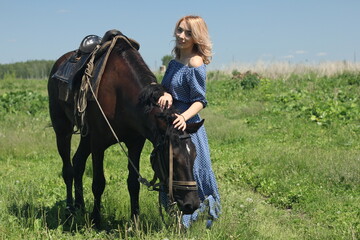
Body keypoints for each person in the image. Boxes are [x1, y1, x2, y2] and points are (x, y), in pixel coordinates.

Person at [158, 15, 221, 228]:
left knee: (191, 169)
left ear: (197, 37)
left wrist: (183, 118)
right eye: (180, 30)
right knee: (172, 168)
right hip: (171, 122)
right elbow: (167, 88)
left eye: (188, 33)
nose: (182, 36)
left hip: (187, 124)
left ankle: (197, 219)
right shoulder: (174, 62)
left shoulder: (195, 62)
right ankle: (174, 217)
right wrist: (165, 94)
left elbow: (200, 100)